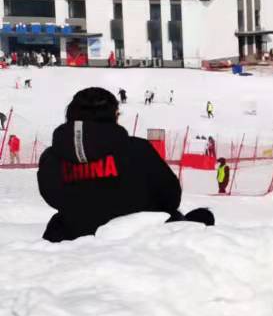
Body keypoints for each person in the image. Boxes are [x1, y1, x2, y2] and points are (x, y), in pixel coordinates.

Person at [37, 88, 215, 243]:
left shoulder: (51, 159)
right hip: (136, 238)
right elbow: (170, 197)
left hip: (69, 236)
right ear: (114, 115)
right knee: (202, 218)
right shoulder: (137, 150)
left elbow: (52, 197)